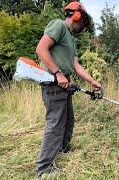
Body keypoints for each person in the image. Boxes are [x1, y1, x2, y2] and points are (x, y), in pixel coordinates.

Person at [35, 1, 102, 177]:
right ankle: (43, 169)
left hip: (65, 85)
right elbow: (41, 49)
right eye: (84, 22)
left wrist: (93, 81)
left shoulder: (71, 39)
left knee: (68, 121)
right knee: (55, 125)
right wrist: (58, 74)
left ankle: (62, 151)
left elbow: (76, 66)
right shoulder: (58, 25)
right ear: (77, 15)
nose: (84, 27)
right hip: (54, 84)